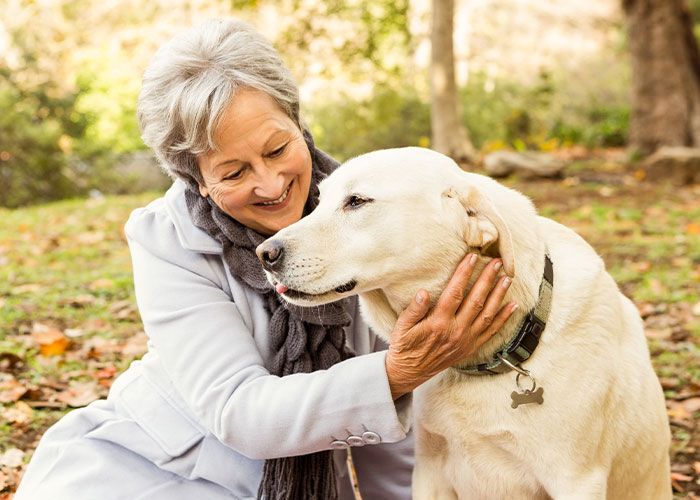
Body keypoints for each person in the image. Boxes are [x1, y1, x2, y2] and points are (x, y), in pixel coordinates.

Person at [14, 19, 517, 500]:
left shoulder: (371, 212)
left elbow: (396, 438)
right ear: (197, 181)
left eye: (278, 149)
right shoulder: (163, 238)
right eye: (233, 173)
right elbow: (240, 412)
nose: (272, 185)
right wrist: (395, 373)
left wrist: (398, 379)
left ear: (299, 124)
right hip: (144, 470)